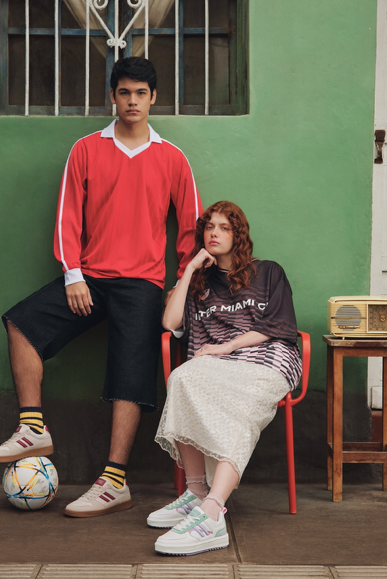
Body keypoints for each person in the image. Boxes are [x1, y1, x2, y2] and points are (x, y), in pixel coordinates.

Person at [0, 57, 202, 519]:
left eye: (141, 93)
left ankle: (113, 482)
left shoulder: (173, 158)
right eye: (124, 92)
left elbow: (190, 230)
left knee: (130, 376)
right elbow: (68, 215)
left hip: (142, 284)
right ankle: (32, 428)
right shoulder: (86, 149)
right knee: (21, 323)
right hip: (90, 279)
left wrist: (180, 283)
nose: (132, 101)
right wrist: (74, 274)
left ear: (154, 98)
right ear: (113, 97)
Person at [147, 201, 301, 556]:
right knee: (182, 378)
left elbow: (278, 326)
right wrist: (189, 270)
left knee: (239, 404)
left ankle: (214, 512)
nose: (214, 233)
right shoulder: (199, 284)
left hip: (268, 358)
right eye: (209, 227)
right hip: (219, 363)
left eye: (224, 227)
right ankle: (196, 492)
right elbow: (169, 323)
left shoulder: (268, 272)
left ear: (238, 235)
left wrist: (227, 346)